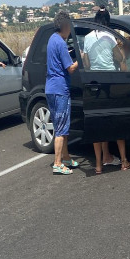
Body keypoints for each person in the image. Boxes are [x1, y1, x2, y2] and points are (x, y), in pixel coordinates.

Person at [83, 7, 130, 174]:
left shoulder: (87, 38)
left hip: (94, 83)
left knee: (98, 124)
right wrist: (120, 52)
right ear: (107, 22)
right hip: (111, 81)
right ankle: (124, 161)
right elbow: (119, 58)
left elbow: (86, 63)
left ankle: (98, 164)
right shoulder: (110, 36)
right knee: (117, 122)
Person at [46, 10, 79, 175]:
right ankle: (58, 163)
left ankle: (65, 158)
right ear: (65, 26)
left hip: (50, 88)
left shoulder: (52, 39)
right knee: (61, 129)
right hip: (60, 89)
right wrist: (81, 59)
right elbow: (70, 68)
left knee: (62, 126)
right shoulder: (61, 43)